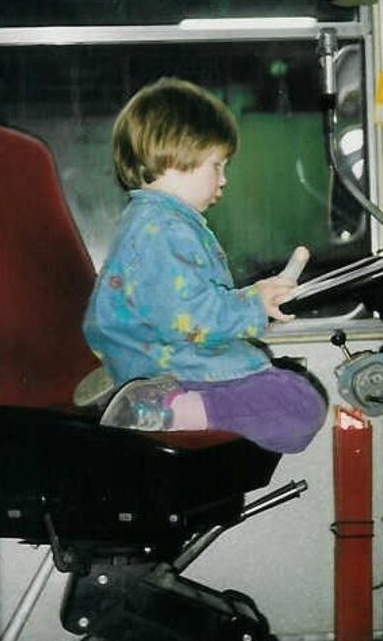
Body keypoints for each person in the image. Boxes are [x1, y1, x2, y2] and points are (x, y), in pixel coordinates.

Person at [83, 77, 327, 454]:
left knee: (292, 391)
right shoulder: (162, 230)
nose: (224, 180)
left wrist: (254, 301)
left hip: (171, 361)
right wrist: (253, 304)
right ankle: (167, 410)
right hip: (174, 367)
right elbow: (189, 318)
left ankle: (167, 402)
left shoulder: (160, 222)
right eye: (217, 165)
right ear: (174, 158)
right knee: (298, 405)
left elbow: (189, 308)